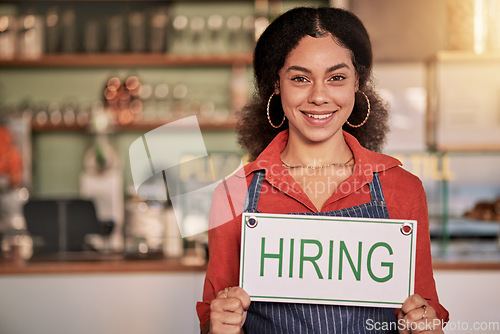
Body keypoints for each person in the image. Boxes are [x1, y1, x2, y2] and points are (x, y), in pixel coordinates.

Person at [196, 6, 449, 334]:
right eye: (300, 78)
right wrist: (221, 326)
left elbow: (426, 311)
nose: (318, 96)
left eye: (337, 77)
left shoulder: (402, 188)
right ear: (276, 83)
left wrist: (426, 326)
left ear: (357, 82)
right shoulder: (233, 195)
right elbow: (214, 321)